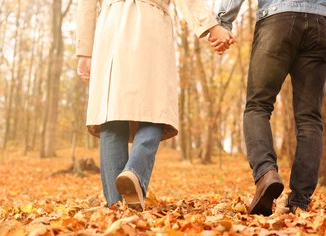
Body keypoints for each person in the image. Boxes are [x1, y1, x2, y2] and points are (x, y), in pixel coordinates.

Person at [76, 0, 236, 211]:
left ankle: (115, 206)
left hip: (111, 28)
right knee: (154, 112)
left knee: (111, 116)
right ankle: (134, 172)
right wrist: (212, 27)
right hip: (151, 28)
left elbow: (86, 5)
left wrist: (84, 51)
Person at [213, 0, 326, 216]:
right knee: (310, 118)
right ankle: (299, 202)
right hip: (319, 25)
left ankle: (266, 174)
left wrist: (223, 21)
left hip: (277, 19)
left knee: (258, 106)